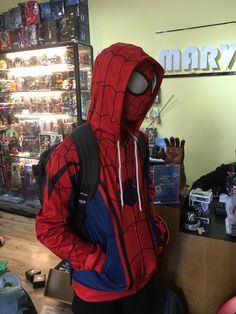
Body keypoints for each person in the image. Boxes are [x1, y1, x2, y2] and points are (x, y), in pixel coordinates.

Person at [35, 42, 169, 314]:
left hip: (142, 281)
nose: (143, 95)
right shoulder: (72, 153)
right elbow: (48, 228)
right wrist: (97, 261)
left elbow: (146, 195)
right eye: (135, 83)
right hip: (98, 290)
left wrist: (156, 233)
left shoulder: (139, 144)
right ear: (112, 84)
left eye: (148, 85)